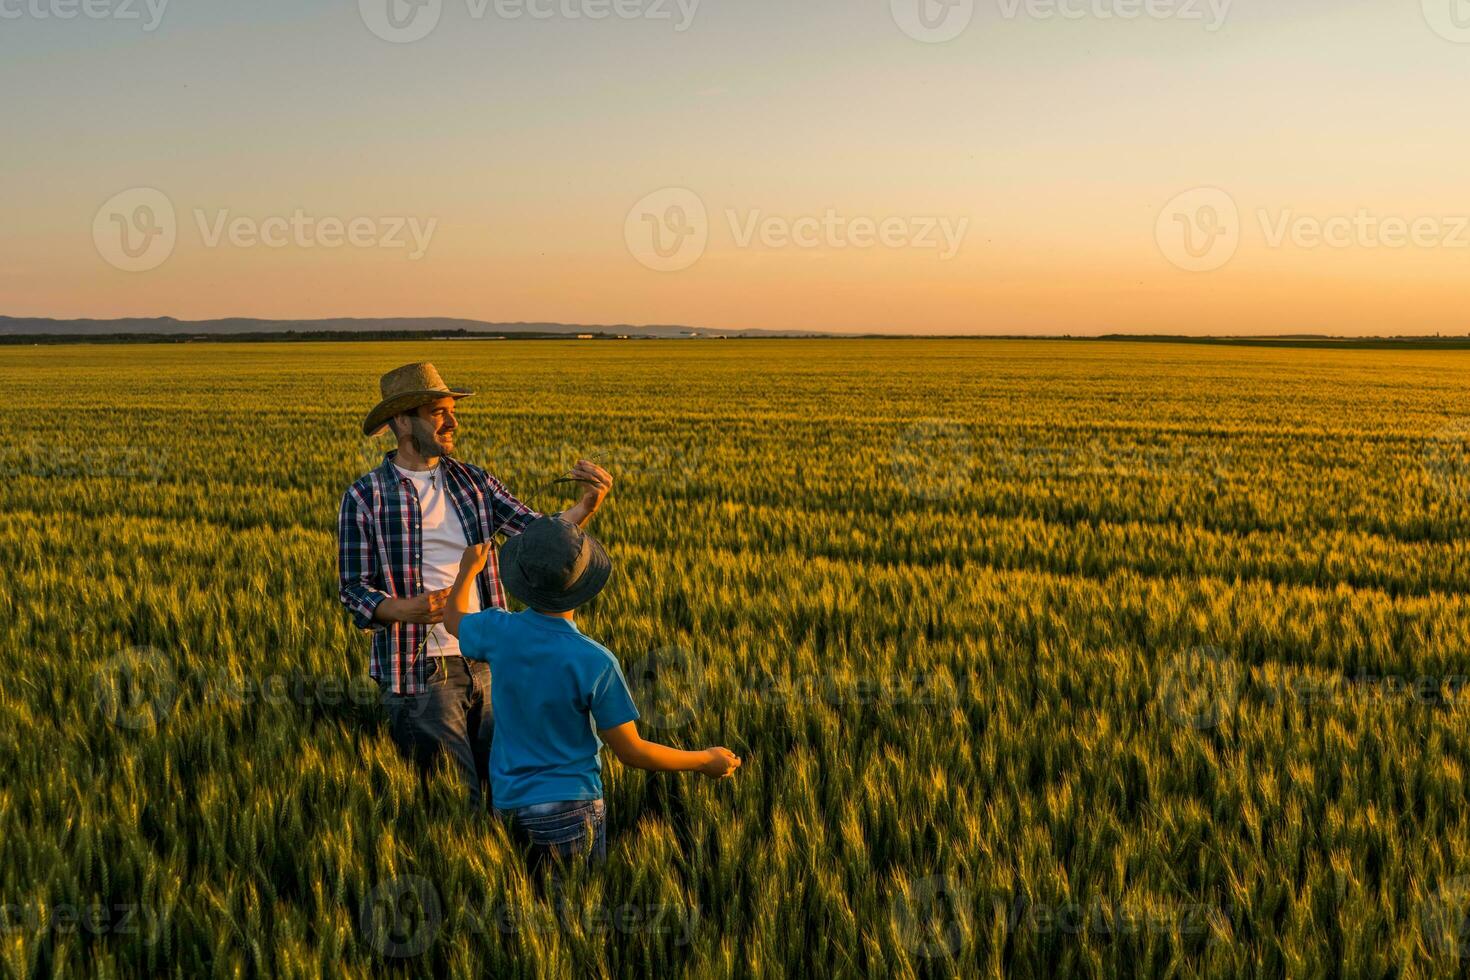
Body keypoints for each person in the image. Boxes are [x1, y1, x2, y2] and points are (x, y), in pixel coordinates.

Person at [336, 362, 612, 808]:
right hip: (420, 670)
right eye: (439, 412)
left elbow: (535, 534)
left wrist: (586, 506)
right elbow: (353, 588)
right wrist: (405, 609)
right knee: (453, 805)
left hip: (489, 659)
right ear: (402, 422)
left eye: (452, 410)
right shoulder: (365, 497)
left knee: (504, 787)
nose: (453, 422)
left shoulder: (473, 482)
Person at [444, 516, 741, 875]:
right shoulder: (594, 660)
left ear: (521, 580)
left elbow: (454, 618)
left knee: (525, 907)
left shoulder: (497, 630)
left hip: (508, 802)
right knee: (572, 913)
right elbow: (631, 751)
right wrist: (704, 760)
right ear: (583, 585)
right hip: (570, 807)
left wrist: (467, 571)